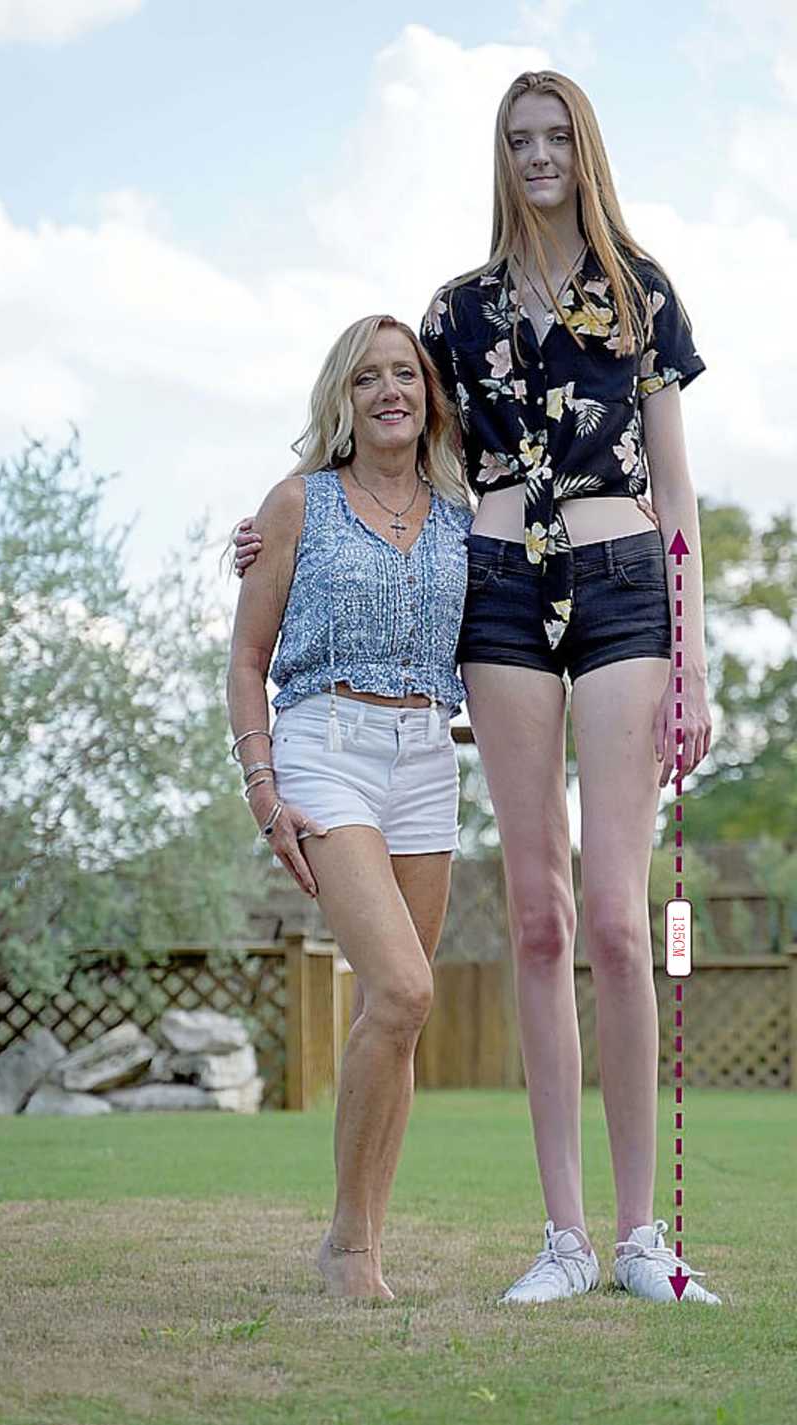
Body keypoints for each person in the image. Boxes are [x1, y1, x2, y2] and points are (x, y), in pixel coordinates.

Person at [234, 69, 721, 1306]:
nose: (538, 156)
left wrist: (693, 655)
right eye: (519, 140)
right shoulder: (456, 312)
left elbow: (675, 491)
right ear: (500, 158)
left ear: (583, 148)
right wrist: (279, 517)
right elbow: (388, 438)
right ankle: (562, 1238)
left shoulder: (641, 291)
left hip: (623, 590)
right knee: (538, 917)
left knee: (615, 919)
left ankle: (640, 1237)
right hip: (499, 596)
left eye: (555, 137)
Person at [227, 313, 472, 1301]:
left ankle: (356, 1241)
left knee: (393, 1014)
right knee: (405, 990)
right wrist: (262, 788)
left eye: (404, 373)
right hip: (324, 745)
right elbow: (246, 659)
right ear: (343, 396)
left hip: (430, 756)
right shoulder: (296, 504)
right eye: (367, 376)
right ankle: (349, 1246)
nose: (389, 390)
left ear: (428, 395)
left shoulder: (462, 515)